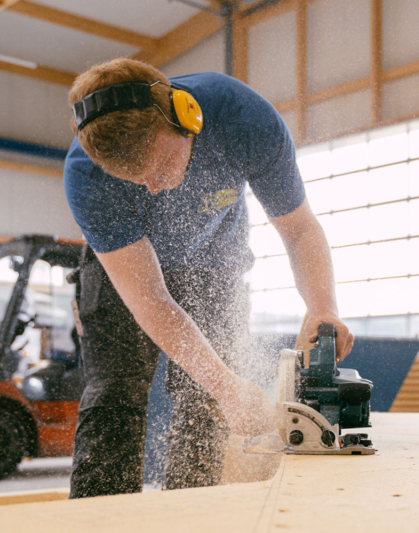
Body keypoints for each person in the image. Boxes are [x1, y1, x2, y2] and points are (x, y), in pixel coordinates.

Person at [63, 58, 353, 498]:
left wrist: (322, 306)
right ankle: (99, 519)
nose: (154, 187)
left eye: (160, 165)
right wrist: (227, 385)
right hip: (126, 270)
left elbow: (299, 229)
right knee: (114, 392)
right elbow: (152, 301)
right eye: (135, 180)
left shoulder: (240, 116)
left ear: (186, 115)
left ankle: (190, 513)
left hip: (216, 262)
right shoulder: (85, 175)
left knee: (205, 403)